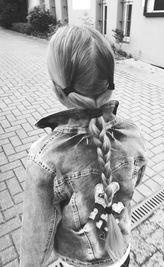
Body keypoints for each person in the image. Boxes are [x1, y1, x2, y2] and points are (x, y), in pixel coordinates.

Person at [20, 25, 147, 267]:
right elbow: (134, 180)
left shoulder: (47, 159)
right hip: (121, 256)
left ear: (57, 89)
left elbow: (36, 237)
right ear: (109, 84)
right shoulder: (132, 134)